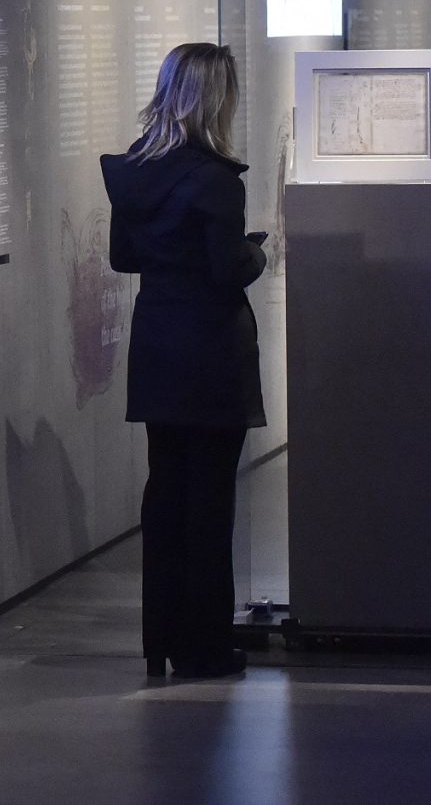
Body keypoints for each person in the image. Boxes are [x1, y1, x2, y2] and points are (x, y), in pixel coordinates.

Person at [100, 42, 266, 680]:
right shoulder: (216, 180)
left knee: (166, 497)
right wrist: (256, 253)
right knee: (210, 504)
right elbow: (227, 269)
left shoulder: (134, 170)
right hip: (211, 352)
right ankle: (205, 647)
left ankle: (160, 641)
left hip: (159, 346)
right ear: (215, 99)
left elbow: (123, 258)